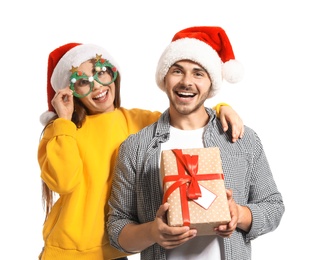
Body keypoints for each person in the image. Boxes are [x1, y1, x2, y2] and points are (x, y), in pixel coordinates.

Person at [37, 42, 245, 260]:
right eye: (82, 82)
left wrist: (222, 108)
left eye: (101, 73)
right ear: (70, 92)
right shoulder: (62, 131)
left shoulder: (137, 121)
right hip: (68, 252)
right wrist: (62, 120)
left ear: (113, 74)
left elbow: (185, 117)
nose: (97, 86)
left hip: (116, 250)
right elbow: (63, 182)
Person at [107, 26, 285, 260]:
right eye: (177, 71)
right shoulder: (137, 147)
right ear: (164, 77)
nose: (186, 82)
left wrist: (239, 214)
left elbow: (273, 206)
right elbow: (116, 227)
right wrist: (152, 232)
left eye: (198, 73)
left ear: (211, 82)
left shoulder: (241, 139)